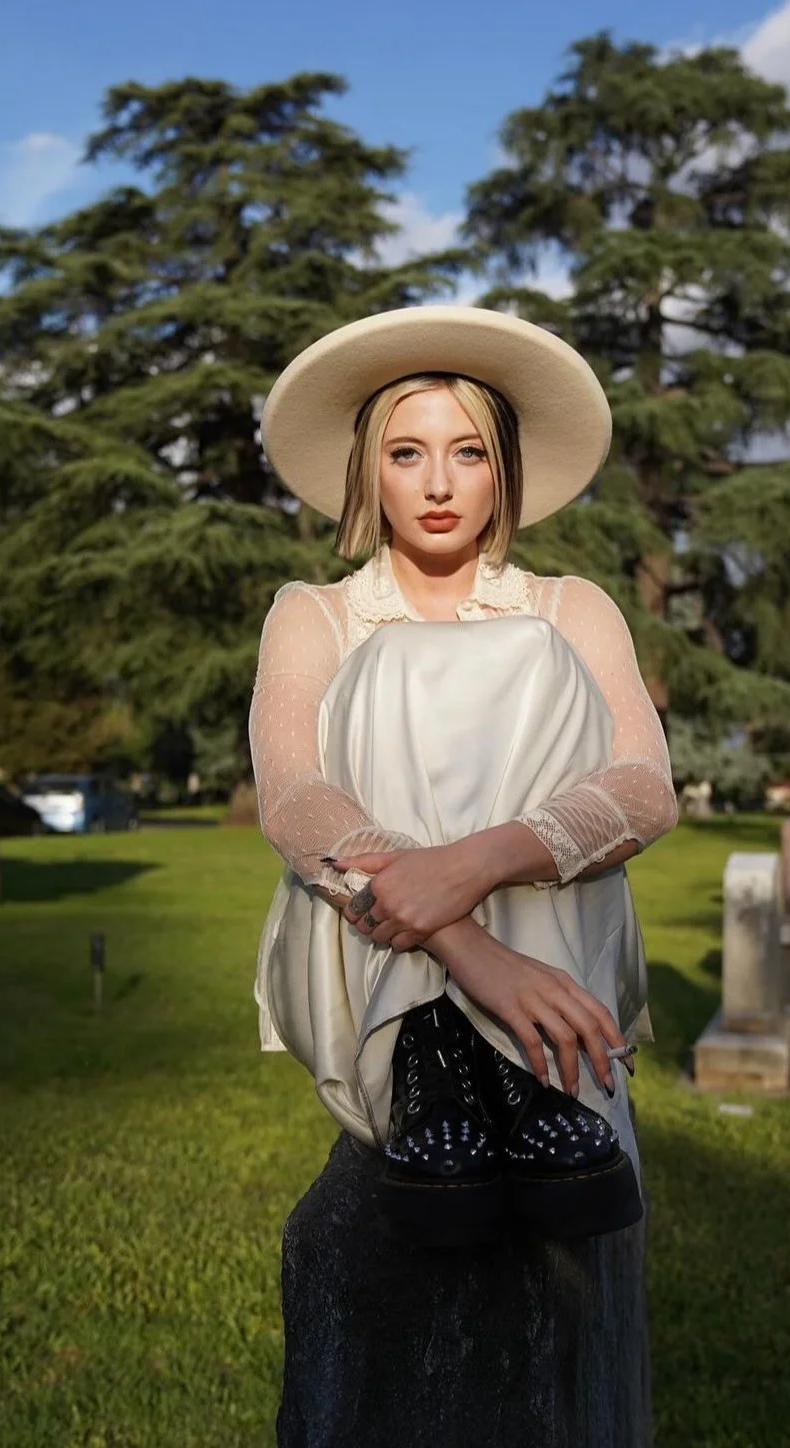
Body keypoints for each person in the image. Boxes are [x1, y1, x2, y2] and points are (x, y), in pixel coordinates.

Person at [250, 306, 678, 1252]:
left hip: (551, 934)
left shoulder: (570, 609)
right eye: (407, 453)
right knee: (396, 663)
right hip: (374, 950)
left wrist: (476, 864)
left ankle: (529, 1074)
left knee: (525, 652)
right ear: (370, 468)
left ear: (505, 469)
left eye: (470, 453)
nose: (439, 484)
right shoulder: (315, 616)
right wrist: (473, 951)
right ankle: (430, 1051)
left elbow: (648, 787)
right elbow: (295, 803)